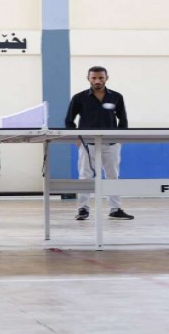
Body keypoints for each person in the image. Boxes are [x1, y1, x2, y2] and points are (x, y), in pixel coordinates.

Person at [65, 66, 134, 221]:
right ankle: (83, 209)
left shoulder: (116, 97)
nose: (97, 81)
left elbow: (123, 119)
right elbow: (69, 120)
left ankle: (115, 209)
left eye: (101, 78)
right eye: (94, 78)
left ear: (106, 78)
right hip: (87, 144)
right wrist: (76, 138)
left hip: (111, 144)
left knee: (113, 176)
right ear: (88, 78)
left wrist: (120, 139)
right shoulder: (79, 98)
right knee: (85, 176)